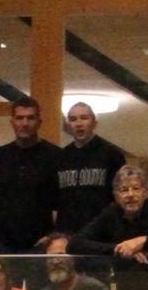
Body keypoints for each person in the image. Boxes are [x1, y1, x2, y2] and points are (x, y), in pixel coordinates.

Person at [0, 97, 64, 257]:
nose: (25, 123)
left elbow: (62, 203)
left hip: (42, 243)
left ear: (39, 122)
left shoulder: (56, 156)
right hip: (4, 243)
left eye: (30, 118)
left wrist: (52, 236)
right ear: (12, 122)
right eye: (20, 118)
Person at [51, 100, 126, 242]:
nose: (79, 123)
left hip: (102, 233)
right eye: (73, 119)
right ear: (68, 125)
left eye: (84, 118)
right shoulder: (61, 157)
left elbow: (120, 197)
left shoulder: (111, 154)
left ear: (94, 123)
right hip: (68, 233)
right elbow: (55, 201)